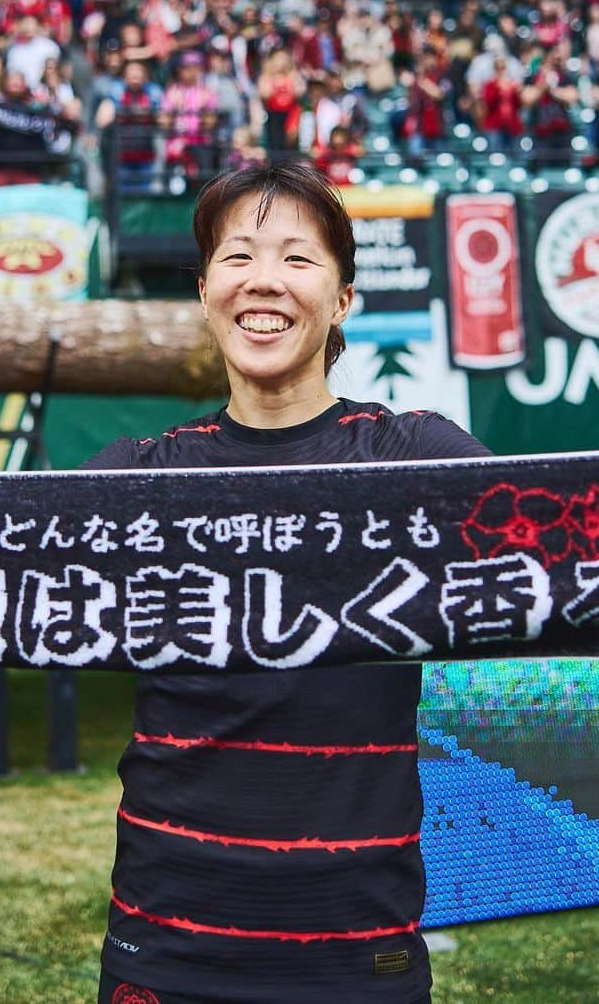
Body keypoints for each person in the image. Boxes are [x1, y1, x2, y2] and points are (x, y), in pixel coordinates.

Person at [81, 161, 490, 1004]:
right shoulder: (138, 473)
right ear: (204, 291)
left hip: (358, 948)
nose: (264, 280)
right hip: (164, 943)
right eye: (238, 258)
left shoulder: (411, 454)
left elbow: (577, 523)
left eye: (298, 259)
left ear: (341, 301)